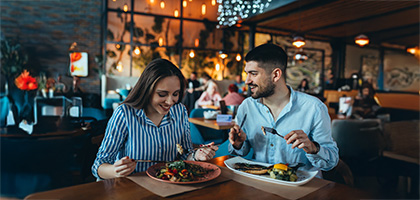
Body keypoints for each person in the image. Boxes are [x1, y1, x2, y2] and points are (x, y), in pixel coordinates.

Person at [92, 59, 218, 180]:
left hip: (170, 185)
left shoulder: (180, 111)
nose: (170, 102)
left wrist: (196, 155)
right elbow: (99, 165)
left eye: (175, 94)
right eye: (162, 94)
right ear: (147, 90)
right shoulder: (125, 114)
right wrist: (115, 170)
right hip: (133, 187)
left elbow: (184, 154)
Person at [228, 43, 338, 175]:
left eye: (253, 74)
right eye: (247, 74)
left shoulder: (314, 108)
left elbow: (331, 162)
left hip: (302, 188)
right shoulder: (247, 107)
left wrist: (312, 147)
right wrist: (238, 144)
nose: (247, 81)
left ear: (275, 75)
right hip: (261, 184)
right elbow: (238, 152)